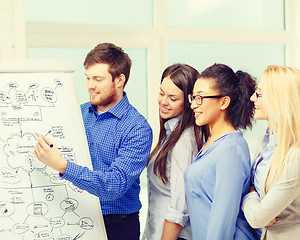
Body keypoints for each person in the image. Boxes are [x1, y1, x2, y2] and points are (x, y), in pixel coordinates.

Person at [34, 42, 153, 240]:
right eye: (88, 78)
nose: (90, 85)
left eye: (98, 79)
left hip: (117, 227)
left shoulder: (137, 128)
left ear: (119, 80)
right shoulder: (77, 113)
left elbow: (115, 185)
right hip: (75, 217)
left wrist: (62, 166)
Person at [184, 63, 257, 240]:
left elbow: (223, 221)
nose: (194, 104)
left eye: (200, 98)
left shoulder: (230, 150)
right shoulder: (213, 141)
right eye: (193, 97)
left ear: (224, 102)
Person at [142, 64, 209, 240]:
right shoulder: (171, 132)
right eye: (161, 93)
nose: (163, 101)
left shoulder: (185, 140)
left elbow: (180, 207)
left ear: (189, 102)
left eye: (172, 98)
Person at [242, 65, 300, 240]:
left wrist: (249, 195)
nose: (252, 98)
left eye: (259, 94)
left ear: (278, 100)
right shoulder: (268, 141)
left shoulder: (295, 156)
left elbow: (257, 217)